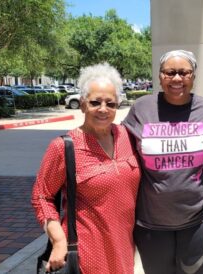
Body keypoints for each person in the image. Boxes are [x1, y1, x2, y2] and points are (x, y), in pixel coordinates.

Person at [31, 63, 140, 274]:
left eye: (111, 103)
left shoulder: (126, 136)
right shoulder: (64, 147)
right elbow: (41, 196)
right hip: (86, 250)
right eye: (95, 102)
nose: (103, 109)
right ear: (82, 105)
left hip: (124, 246)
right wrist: (59, 241)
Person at [122, 50, 203, 274]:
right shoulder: (142, 108)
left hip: (198, 221)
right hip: (151, 224)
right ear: (159, 76)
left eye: (184, 72)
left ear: (193, 76)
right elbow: (118, 146)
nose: (176, 79)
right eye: (170, 72)